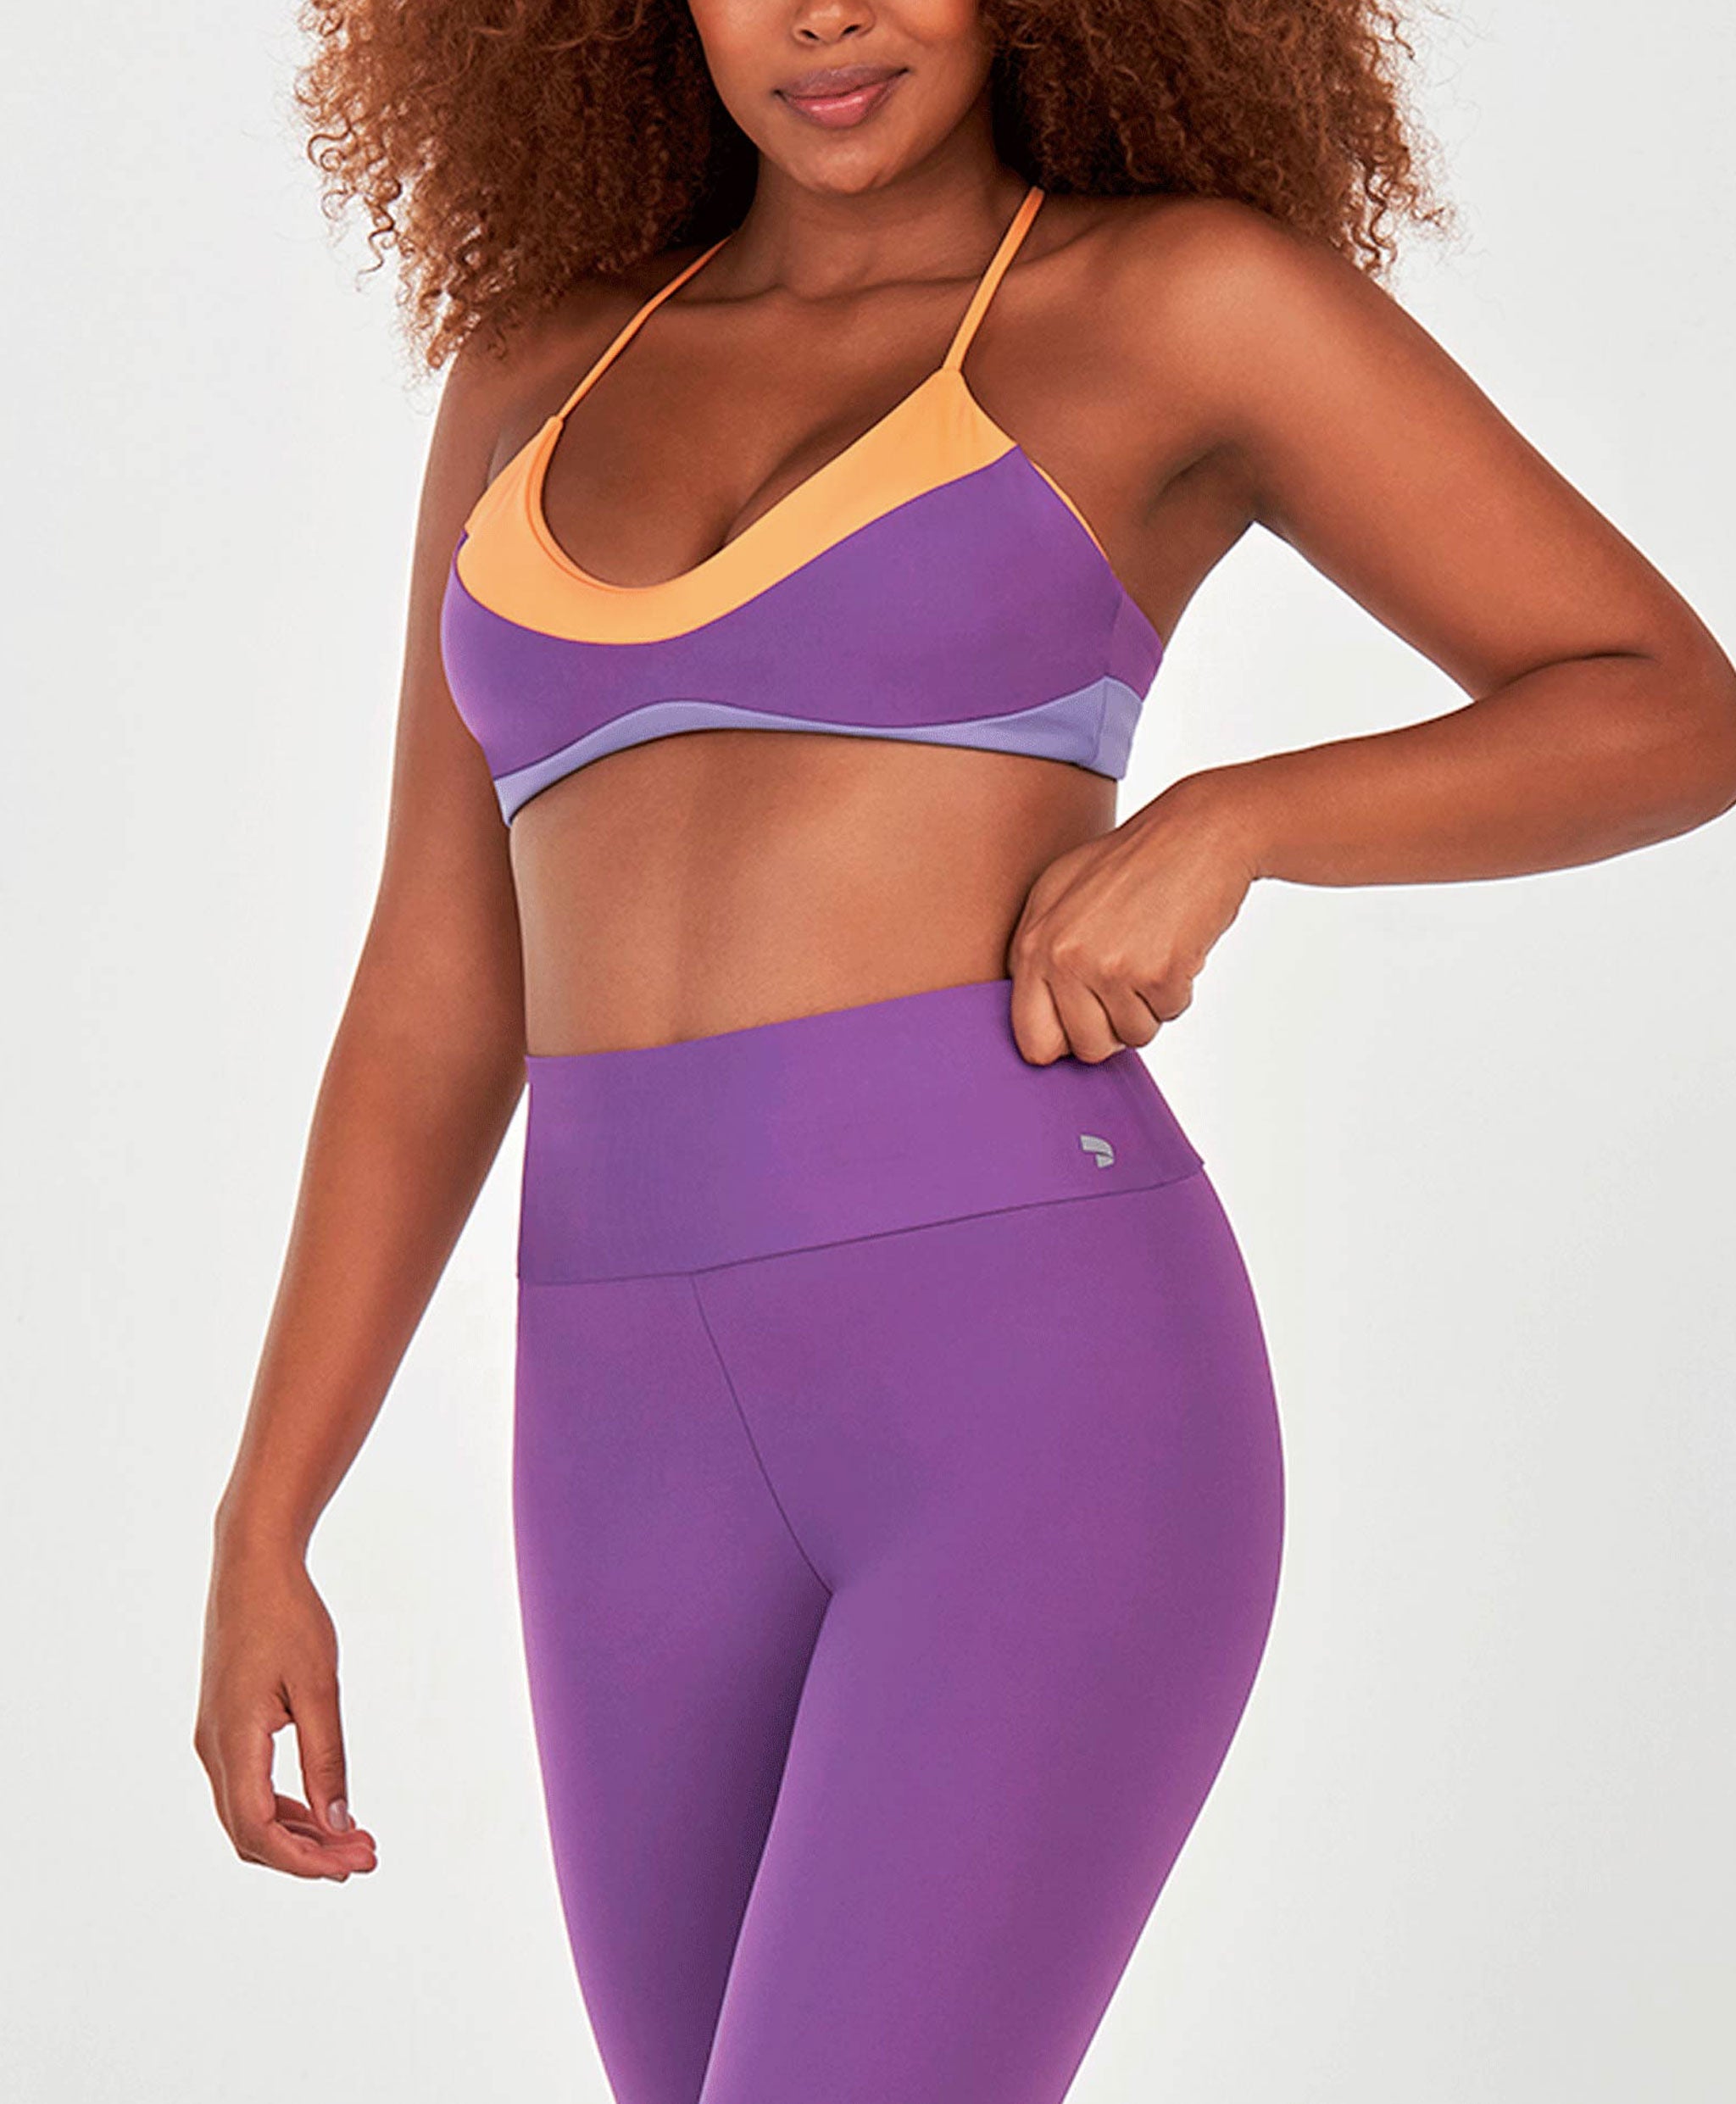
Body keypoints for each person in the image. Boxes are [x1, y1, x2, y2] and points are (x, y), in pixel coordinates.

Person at [195, 1, 1736, 2098]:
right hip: (617, 1430)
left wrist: (1233, 823)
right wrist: (268, 1512)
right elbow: (436, 986)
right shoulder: (536, 376)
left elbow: (1663, 702)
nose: (825, 15)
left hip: (1028, 1393)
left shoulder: (1173, 305)